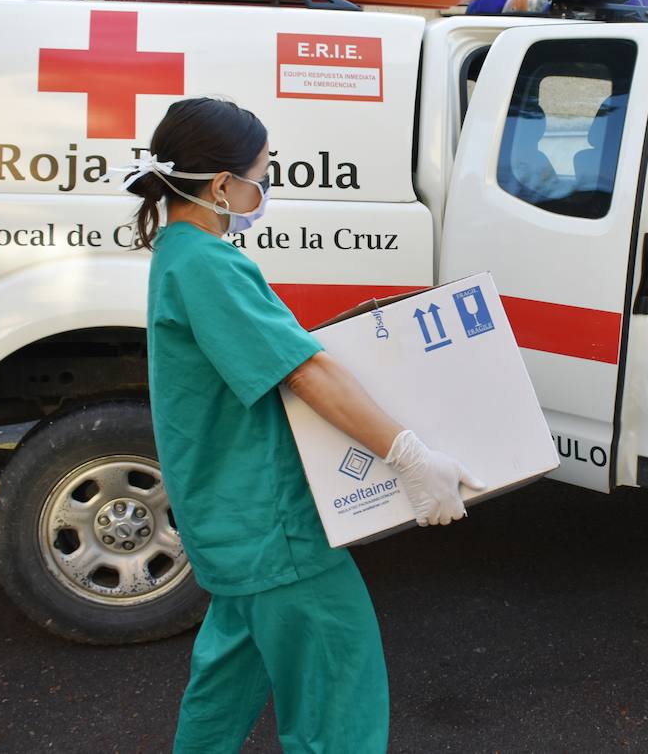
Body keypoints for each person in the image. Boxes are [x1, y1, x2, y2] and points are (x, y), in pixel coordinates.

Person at [122, 97, 484, 751]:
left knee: (228, 680)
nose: (265, 189)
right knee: (338, 694)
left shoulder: (179, 252)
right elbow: (305, 372)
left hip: (228, 518)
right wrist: (408, 454)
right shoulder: (208, 265)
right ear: (221, 184)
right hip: (270, 527)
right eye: (262, 174)